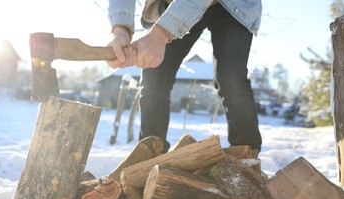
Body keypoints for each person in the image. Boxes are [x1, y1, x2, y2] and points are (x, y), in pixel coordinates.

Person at [107, 0, 262, 156]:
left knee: (230, 79)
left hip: (232, 7)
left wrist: (160, 34)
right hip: (177, 4)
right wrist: (121, 31)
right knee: (154, 78)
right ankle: (151, 154)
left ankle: (247, 156)